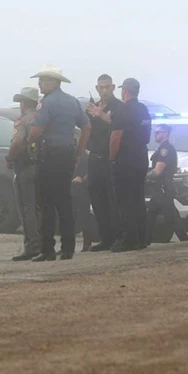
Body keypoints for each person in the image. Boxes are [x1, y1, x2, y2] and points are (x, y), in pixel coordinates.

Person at [26, 65, 91, 261]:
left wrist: (29, 141)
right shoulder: (72, 101)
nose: (39, 84)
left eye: (43, 80)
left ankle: (47, 250)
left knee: (46, 203)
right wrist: (78, 153)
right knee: (64, 202)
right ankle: (68, 248)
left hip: (48, 157)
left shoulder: (46, 103)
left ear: (54, 82)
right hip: (67, 156)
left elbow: (36, 131)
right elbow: (87, 127)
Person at [109, 77, 152, 252]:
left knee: (124, 200)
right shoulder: (143, 109)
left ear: (124, 91)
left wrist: (112, 158)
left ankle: (128, 239)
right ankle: (142, 238)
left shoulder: (123, 109)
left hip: (125, 159)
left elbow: (116, 137)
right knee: (138, 198)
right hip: (141, 156)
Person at [84, 74, 124, 251]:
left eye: (107, 87)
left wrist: (101, 115)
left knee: (113, 200)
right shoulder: (94, 107)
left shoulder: (119, 107)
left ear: (113, 88)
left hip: (111, 159)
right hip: (95, 158)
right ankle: (105, 238)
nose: (105, 90)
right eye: (101, 87)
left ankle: (118, 237)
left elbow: (119, 128)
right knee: (97, 200)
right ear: (97, 88)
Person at [5, 87, 42, 261]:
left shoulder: (23, 120)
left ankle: (32, 246)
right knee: (40, 207)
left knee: (26, 207)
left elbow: (17, 142)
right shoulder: (42, 118)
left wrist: (9, 159)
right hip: (42, 167)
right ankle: (44, 243)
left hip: (25, 168)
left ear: (23, 103)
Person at [146, 124, 188, 243]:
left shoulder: (165, 149)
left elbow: (157, 171)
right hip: (159, 189)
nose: (155, 135)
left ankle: (184, 240)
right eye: (155, 132)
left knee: (171, 217)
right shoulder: (161, 148)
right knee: (150, 216)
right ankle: (145, 240)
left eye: (158, 132)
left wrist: (144, 177)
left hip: (163, 188)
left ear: (165, 134)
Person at [71, 149, 100, 252]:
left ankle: (87, 243)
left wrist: (82, 179)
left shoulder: (86, 156)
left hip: (83, 188)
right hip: (71, 187)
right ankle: (69, 245)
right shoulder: (72, 154)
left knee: (84, 215)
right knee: (70, 217)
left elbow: (92, 171)